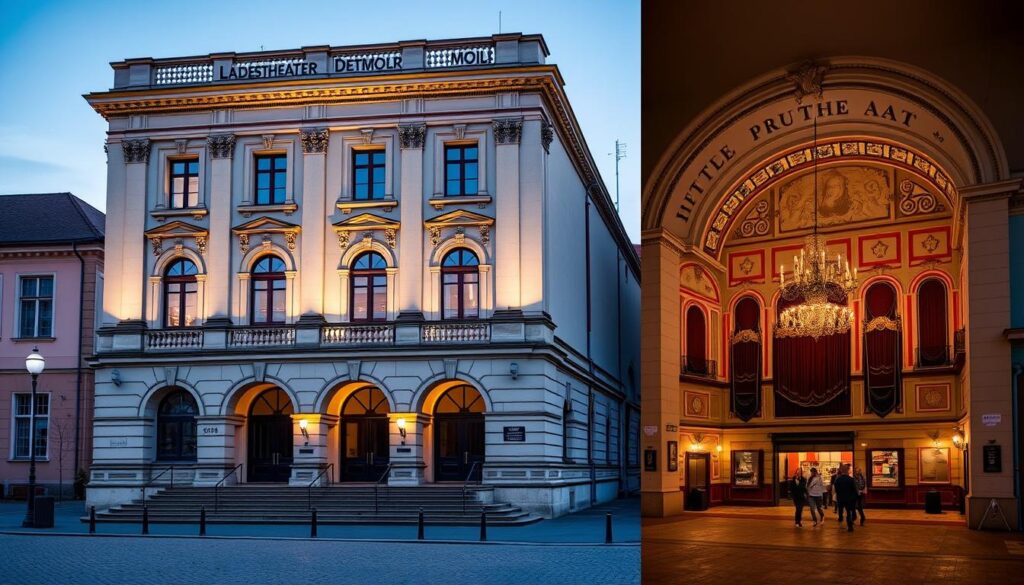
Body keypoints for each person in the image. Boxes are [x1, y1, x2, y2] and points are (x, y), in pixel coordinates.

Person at [833, 464, 859, 532]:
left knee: (841, 510)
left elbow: (836, 490)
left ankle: (841, 518)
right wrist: (854, 498)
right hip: (849, 499)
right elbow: (854, 490)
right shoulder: (851, 479)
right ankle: (850, 526)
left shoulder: (838, 480)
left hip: (841, 498)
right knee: (848, 512)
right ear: (847, 471)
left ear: (841, 471)